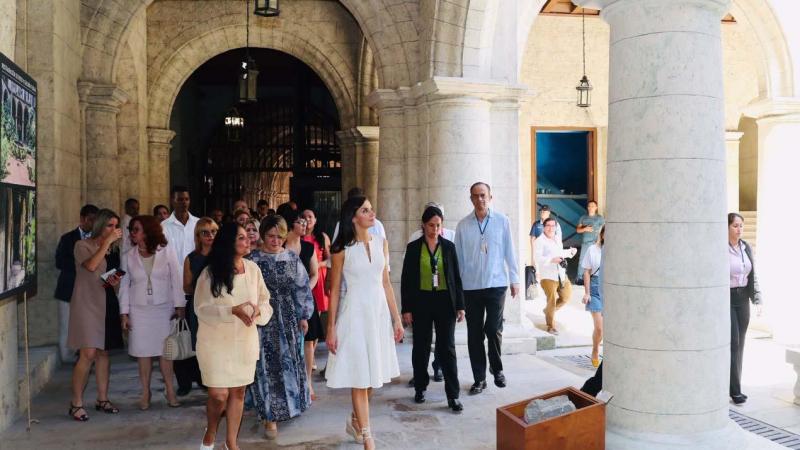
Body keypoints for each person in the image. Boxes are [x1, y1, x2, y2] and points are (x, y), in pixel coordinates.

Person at [326, 196, 403, 450]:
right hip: (354, 314)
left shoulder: (382, 242)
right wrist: (331, 328)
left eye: (371, 209)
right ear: (354, 217)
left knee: (373, 377)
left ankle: (356, 419)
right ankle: (368, 438)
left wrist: (397, 319)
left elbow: (386, 283)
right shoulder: (340, 250)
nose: (372, 214)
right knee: (360, 376)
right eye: (366, 210)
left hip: (378, 314)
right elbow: (335, 290)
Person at [195, 223, 272, 450]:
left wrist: (259, 311)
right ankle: (210, 433)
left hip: (244, 341)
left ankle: (231, 443)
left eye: (247, 236)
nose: (247, 240)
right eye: (240, 237)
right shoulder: (209, 274)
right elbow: (201, 308)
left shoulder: (253, 269)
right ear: (228, 242)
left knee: (238, 391)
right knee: (219, 395)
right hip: (214, 342)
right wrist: (231, 311)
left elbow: (265, 301)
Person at [248, 215, 314, 439]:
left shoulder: (292, 259)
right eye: (270, 236)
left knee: (288, 363)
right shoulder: (252, 260)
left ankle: (292, 405)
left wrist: (304, 316)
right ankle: (269, 416)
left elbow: (302, 288)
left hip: (288, 319)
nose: (275, 240)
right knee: (266, 367)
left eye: (279, 236)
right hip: (262, 321)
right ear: (263, 235)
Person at [455, 182, 519, 395]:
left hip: (496, 283)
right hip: (471, 287)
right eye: (475, 196)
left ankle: (497, 368)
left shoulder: (502, 221)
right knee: (474, 334)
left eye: (483, 195)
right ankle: (479, 378)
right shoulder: (463, 225)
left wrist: (515, 279)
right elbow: (459, 260)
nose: (479, 199)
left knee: (492, 328)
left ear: (490, 197)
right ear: (471, 199)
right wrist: (458, 291)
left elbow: (510, 250)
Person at [401, 206, 465, 412]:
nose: (435, 229)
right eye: (431, 225)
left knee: (447, 348)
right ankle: (420, 387)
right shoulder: (413, 248)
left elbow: (456, 277)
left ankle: (453, 395)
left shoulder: (448, 247)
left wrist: (460, 306)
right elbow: (406, 280)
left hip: (445, 301)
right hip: (421, 301)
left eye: (438, 225)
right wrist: (406, 308)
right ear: (423, 225)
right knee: (420, 346)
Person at [119, 215, 186, 410]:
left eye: (136, 229)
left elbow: (176, 278)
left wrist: (179, 305)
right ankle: (145, 393)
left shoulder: (166, 251)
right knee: (143, 353)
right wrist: (124, 313)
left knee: (166, 352)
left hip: (163, 308)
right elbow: (124, 285)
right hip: (138, 310)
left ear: (148, 230)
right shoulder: (128, 256)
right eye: (131, 229)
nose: (132, 233)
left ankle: (170, 391)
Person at [67, 209, 125, 421]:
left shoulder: (114, 250)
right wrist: (106, 243)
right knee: (88, 353)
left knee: (103, 353)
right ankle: (76, 403)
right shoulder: (82, 245)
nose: (113, 230)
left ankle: (102, 399)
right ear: (100, 225)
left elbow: (108, 278)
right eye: (109, 225)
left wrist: (114, 279)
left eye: (115, 226)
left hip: (106, 301)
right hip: (86, 304)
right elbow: (91, 266)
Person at [281, 209, 322, 401]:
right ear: (290, 224)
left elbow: (314, 272)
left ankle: (308, 382)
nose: (304, 224)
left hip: (305, 298)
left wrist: (305, 288)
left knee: (308, 340)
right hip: (285, 298)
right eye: (300, 222)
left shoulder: (308, 247)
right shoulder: (280, 246)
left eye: (305, 222)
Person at [176, 217, 218, 396]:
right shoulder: (191, 258)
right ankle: (201, 380)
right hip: (198, 306)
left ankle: (215, 383)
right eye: (205, 232)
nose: (210, 236)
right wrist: (204, 287)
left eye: (214, 232)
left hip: (219, 307)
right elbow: (186, 286)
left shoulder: (223, 256)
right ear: (198, 236)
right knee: (199, 345)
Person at [55, 204, 98, 362]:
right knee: (67, 323)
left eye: (96, 220)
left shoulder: (100, 239)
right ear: (82, 219)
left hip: (92, 292)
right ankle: (68, 356)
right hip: (69, 289)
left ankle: (88, 354)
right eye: (90, 219)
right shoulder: (67, 238)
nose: (93, 223)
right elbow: (59, 262)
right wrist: (83, 265)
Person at [729, 212, 761, 405]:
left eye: (741, 225)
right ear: (727, 228)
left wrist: (757, 299)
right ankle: (735, 391)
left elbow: (753, 274)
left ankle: (735, 384)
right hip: (727, 298)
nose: (739, 229)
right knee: (733, 342)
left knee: (740, 344)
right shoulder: (720, 248)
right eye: (735, 225)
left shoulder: (746, 247)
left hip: (743, 300)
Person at [534, 217, 577, 335]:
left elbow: (560, 253)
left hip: (561, 273)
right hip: (547, 276)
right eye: (548, 226)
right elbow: (537, 258)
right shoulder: (539, 241)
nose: (551, 228)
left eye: (553, 226)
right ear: (544, 227)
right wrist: (552, 260)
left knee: (566, 297)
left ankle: (548, 311)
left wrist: (570, 252)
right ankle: (550, 326)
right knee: (551, 300)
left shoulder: (557, 238)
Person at [302, 208, 330, 381]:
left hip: (317, 280)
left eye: (310, 217)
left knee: (315, 320)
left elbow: (330, 260)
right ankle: (308, 355)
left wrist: (317, 264)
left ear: (315, 219)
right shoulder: (297, 236)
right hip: (303, 280)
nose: (307, 220)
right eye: (304, 217)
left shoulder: (322, 237)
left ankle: (310, 355)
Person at [580, 226, 604, 367]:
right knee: (599, 327)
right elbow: (587, 272)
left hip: (610, 288)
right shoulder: (592, 249)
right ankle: (595, 349)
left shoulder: (616, 250)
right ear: (601, 234)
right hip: (595, 288)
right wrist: (587, 292)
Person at [162, 185, 200, 266]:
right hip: (172, 275)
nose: (184, 202)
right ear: (172, 201)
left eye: (187, 199)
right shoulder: (163, 226)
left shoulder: (198, 223)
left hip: (195, 274)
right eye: (180, 199)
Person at [576, 200, 605, 279]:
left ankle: (597, 277)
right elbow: (578, 230)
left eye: (593, 206)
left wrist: (599, 241)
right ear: (587, 207)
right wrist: (585, 228)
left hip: (597, 242)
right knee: (582, 260)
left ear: (596, 207)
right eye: (589, 206)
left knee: (597, 260)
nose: (591, 207)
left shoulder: (600, 218)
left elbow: (604, 230)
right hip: (586, 243)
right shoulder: (583, 217)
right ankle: (580, 278)